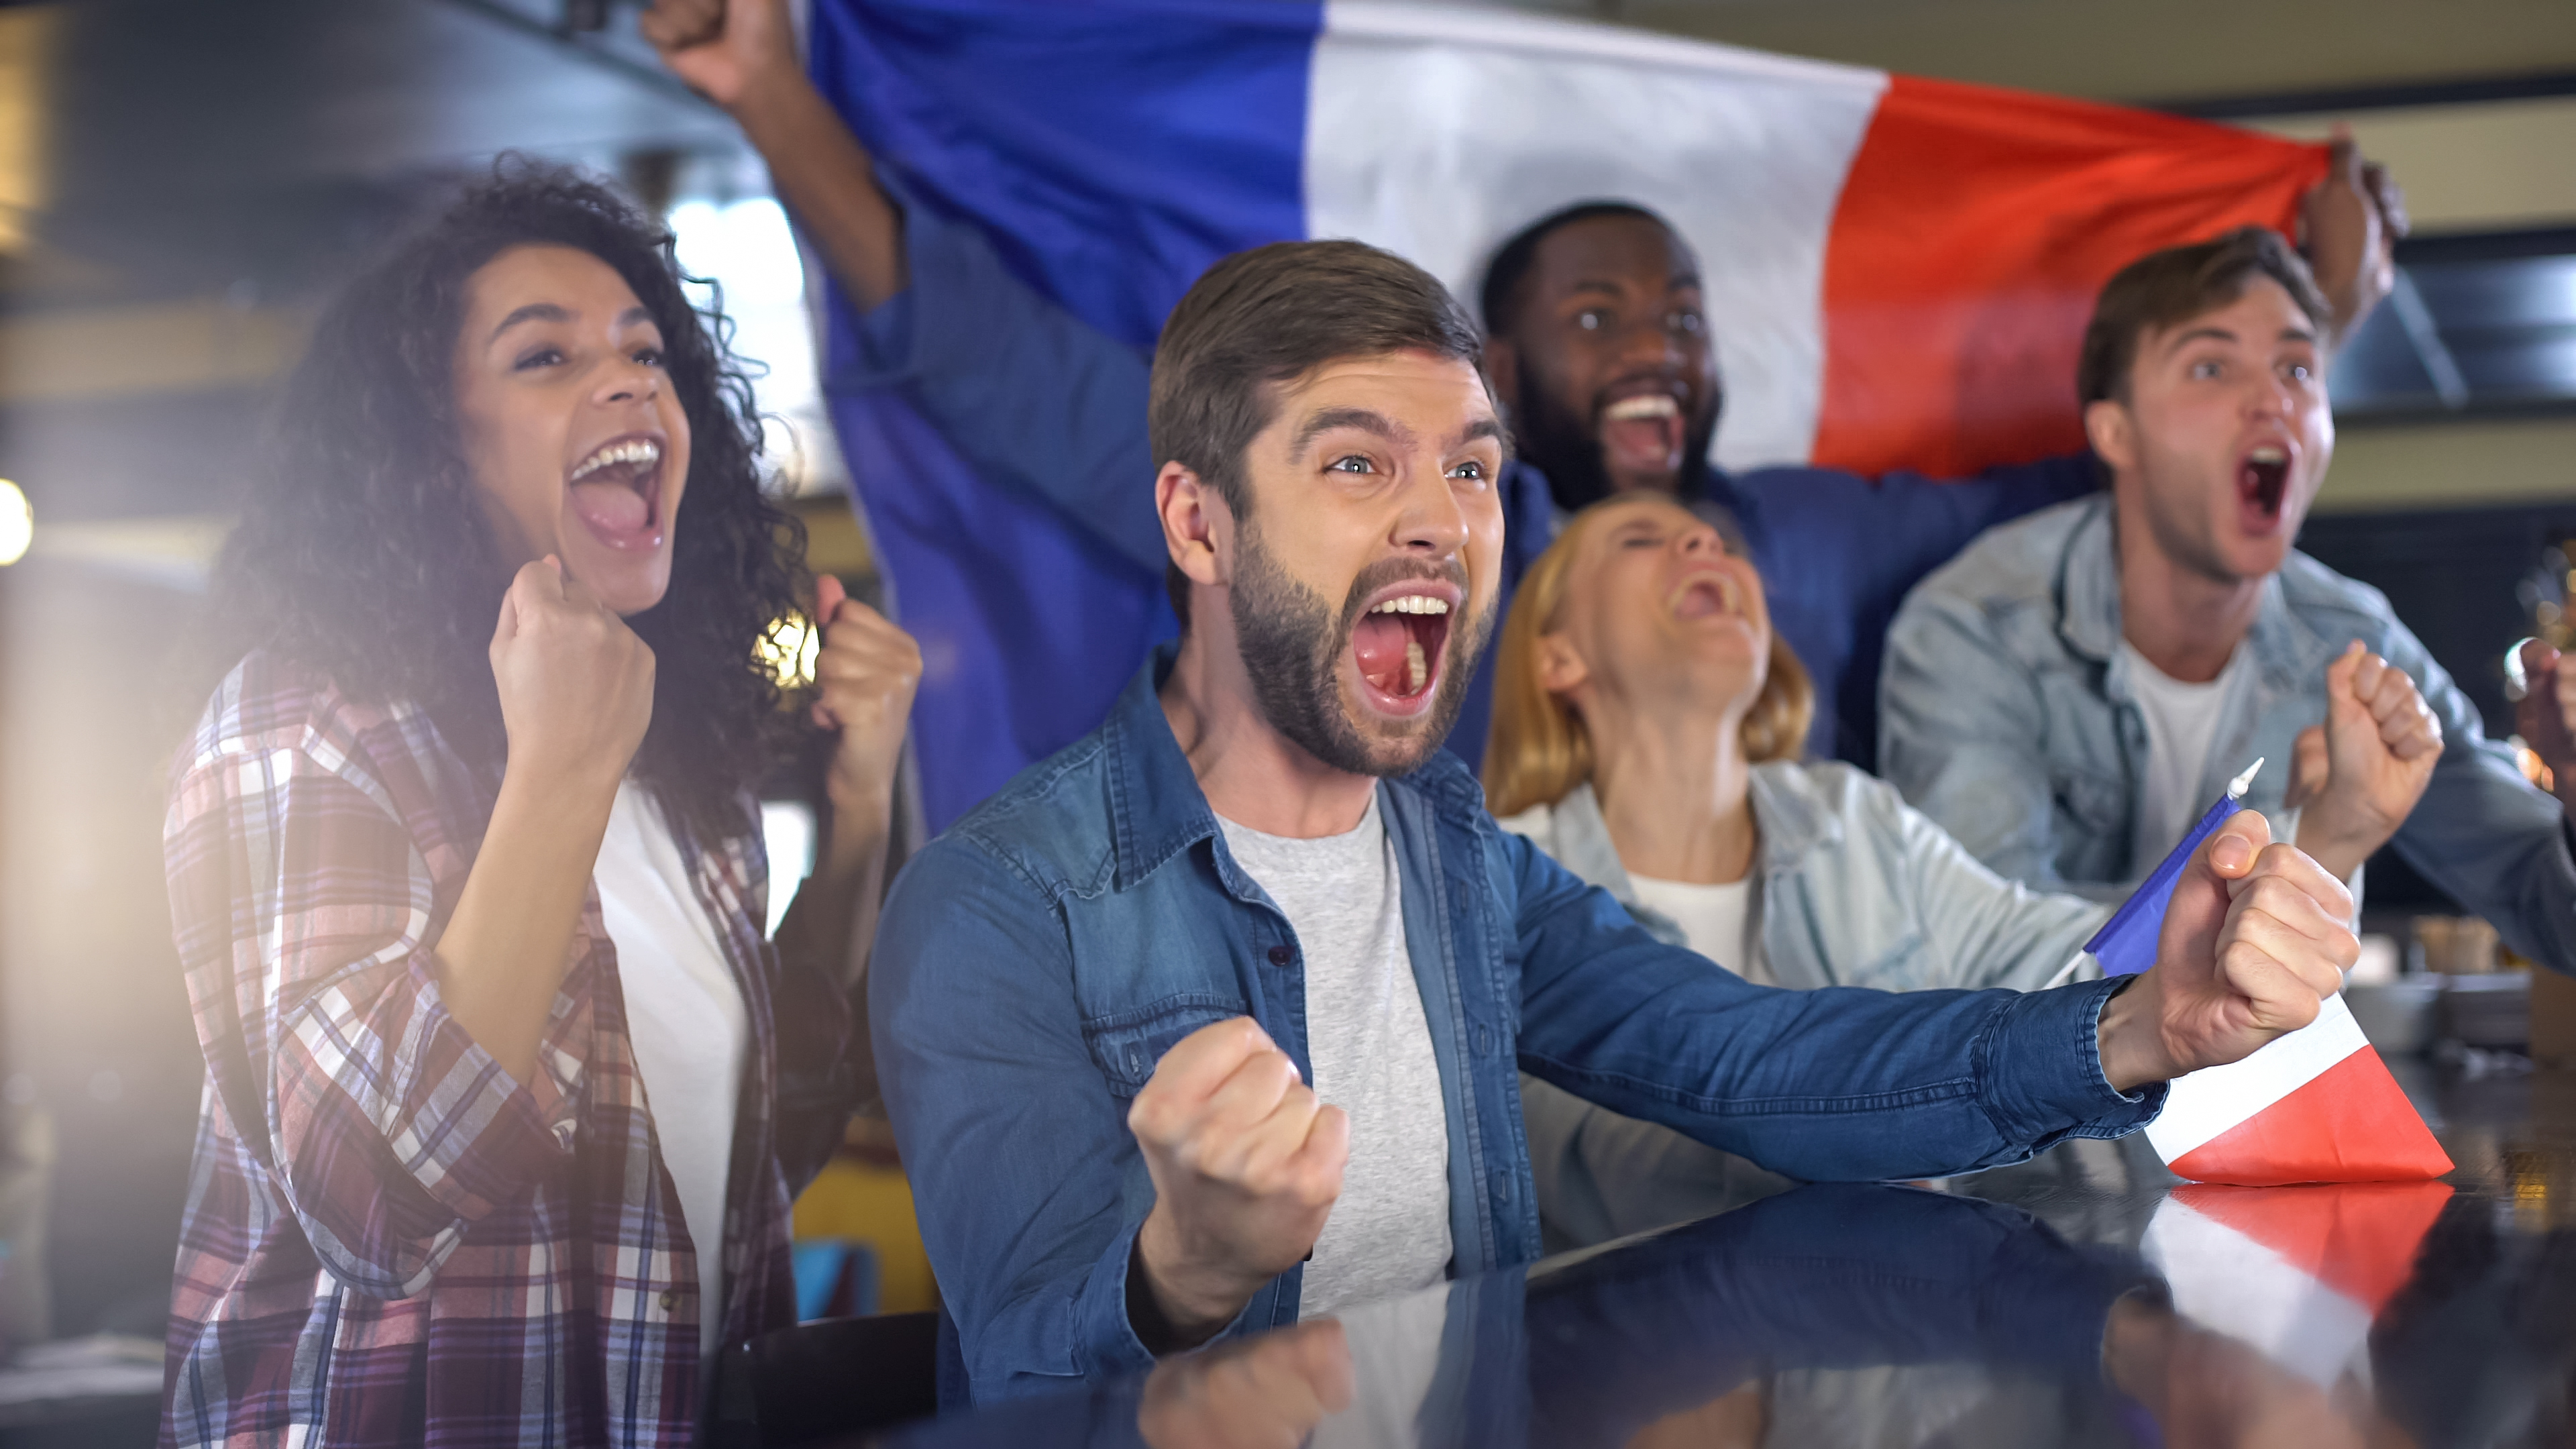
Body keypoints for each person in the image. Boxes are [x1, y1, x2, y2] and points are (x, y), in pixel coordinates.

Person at [866, 235, 2360, 1401]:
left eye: (1468, 468)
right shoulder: (997, 901)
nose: (1438, 521)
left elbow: (1753, 1057)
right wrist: (1179, 1273)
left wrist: (2142, 1029)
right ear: (1199, 523)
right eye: (1354, 462)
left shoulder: (1454, 861)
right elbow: (1022, 1381)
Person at [641, 0, 2402, 803]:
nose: (1654, 342)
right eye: (1593, 312)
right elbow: (1007, 373)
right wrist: (778, 97)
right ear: (1490, 383)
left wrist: (2309, 324)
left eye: (1684, 313)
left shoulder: (1824, 536)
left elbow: (2153, 475)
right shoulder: (1399, 537)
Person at [160, 165, 921, 1448]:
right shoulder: (305, 722)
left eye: (646, 350)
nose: (629, 379)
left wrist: (856, 811)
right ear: (431, 454)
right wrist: (559, 774)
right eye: (546, 357)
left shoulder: (683, 760)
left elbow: (760, 1153)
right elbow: (374, 1200)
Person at [1880, 227, 2576, 973]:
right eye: (2210, 367)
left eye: (2298, 368)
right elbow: (1971, 973)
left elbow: (2550, 917)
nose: (2273, 399)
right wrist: (2314, 842)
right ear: (2116, 431)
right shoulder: (1974, 626)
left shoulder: (2354, 640)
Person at [1481, 492, 2121, 1244]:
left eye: (1720, 543)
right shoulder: (1500, 882)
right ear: (1559, 657)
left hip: (1894, 1339)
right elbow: (1616, 1167)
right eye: (1640, 540)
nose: (1703, 546)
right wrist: (1894, 1118)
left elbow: (2069, 950)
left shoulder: (1856, 818)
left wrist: (2262, 861)